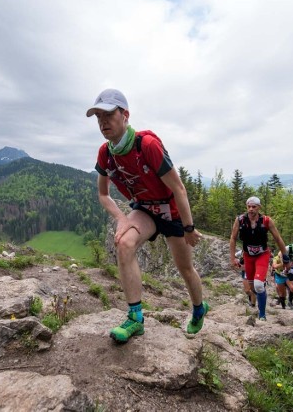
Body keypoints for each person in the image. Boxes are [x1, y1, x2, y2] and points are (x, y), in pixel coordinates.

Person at [87, 88, 209, 344]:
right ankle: (135, 319)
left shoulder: (147, 145)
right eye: (98, 116)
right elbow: (103, 194)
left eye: (108, 114)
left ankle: (199, 308)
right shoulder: (105, 153)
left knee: (185, 268)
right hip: (144, 208)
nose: (102, 122)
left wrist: (188, 228)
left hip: (171, 209)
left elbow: (178, 188)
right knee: (124, 243)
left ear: (125, 115)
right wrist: (122, 218)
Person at [229, 197, 289, 321]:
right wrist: (233, 257)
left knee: (258, 286)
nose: (251, 209)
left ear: (259, 207)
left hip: (262, 255)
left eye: (254, 207)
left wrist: (286, 258)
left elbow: (278, 239)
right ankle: (261, 292)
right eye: (249, 206)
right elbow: (233, 238)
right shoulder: (240, 220)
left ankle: (262, 315)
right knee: (252, 288)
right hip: (247, 256)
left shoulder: (266, 221)